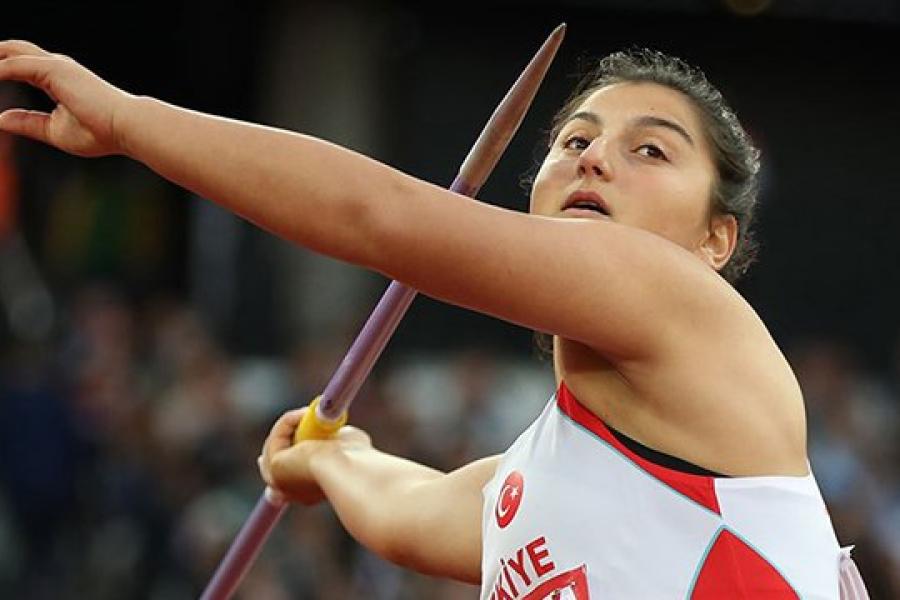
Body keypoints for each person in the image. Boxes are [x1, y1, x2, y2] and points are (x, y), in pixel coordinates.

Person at [0, 39, 861, 598]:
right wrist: (331, 462)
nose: (595, 155)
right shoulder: (530, 480)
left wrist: (132, 123)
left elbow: (379, 221)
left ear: (716, 238)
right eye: (574, 141)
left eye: (651, 150)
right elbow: (411, 514)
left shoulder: (683, 303)